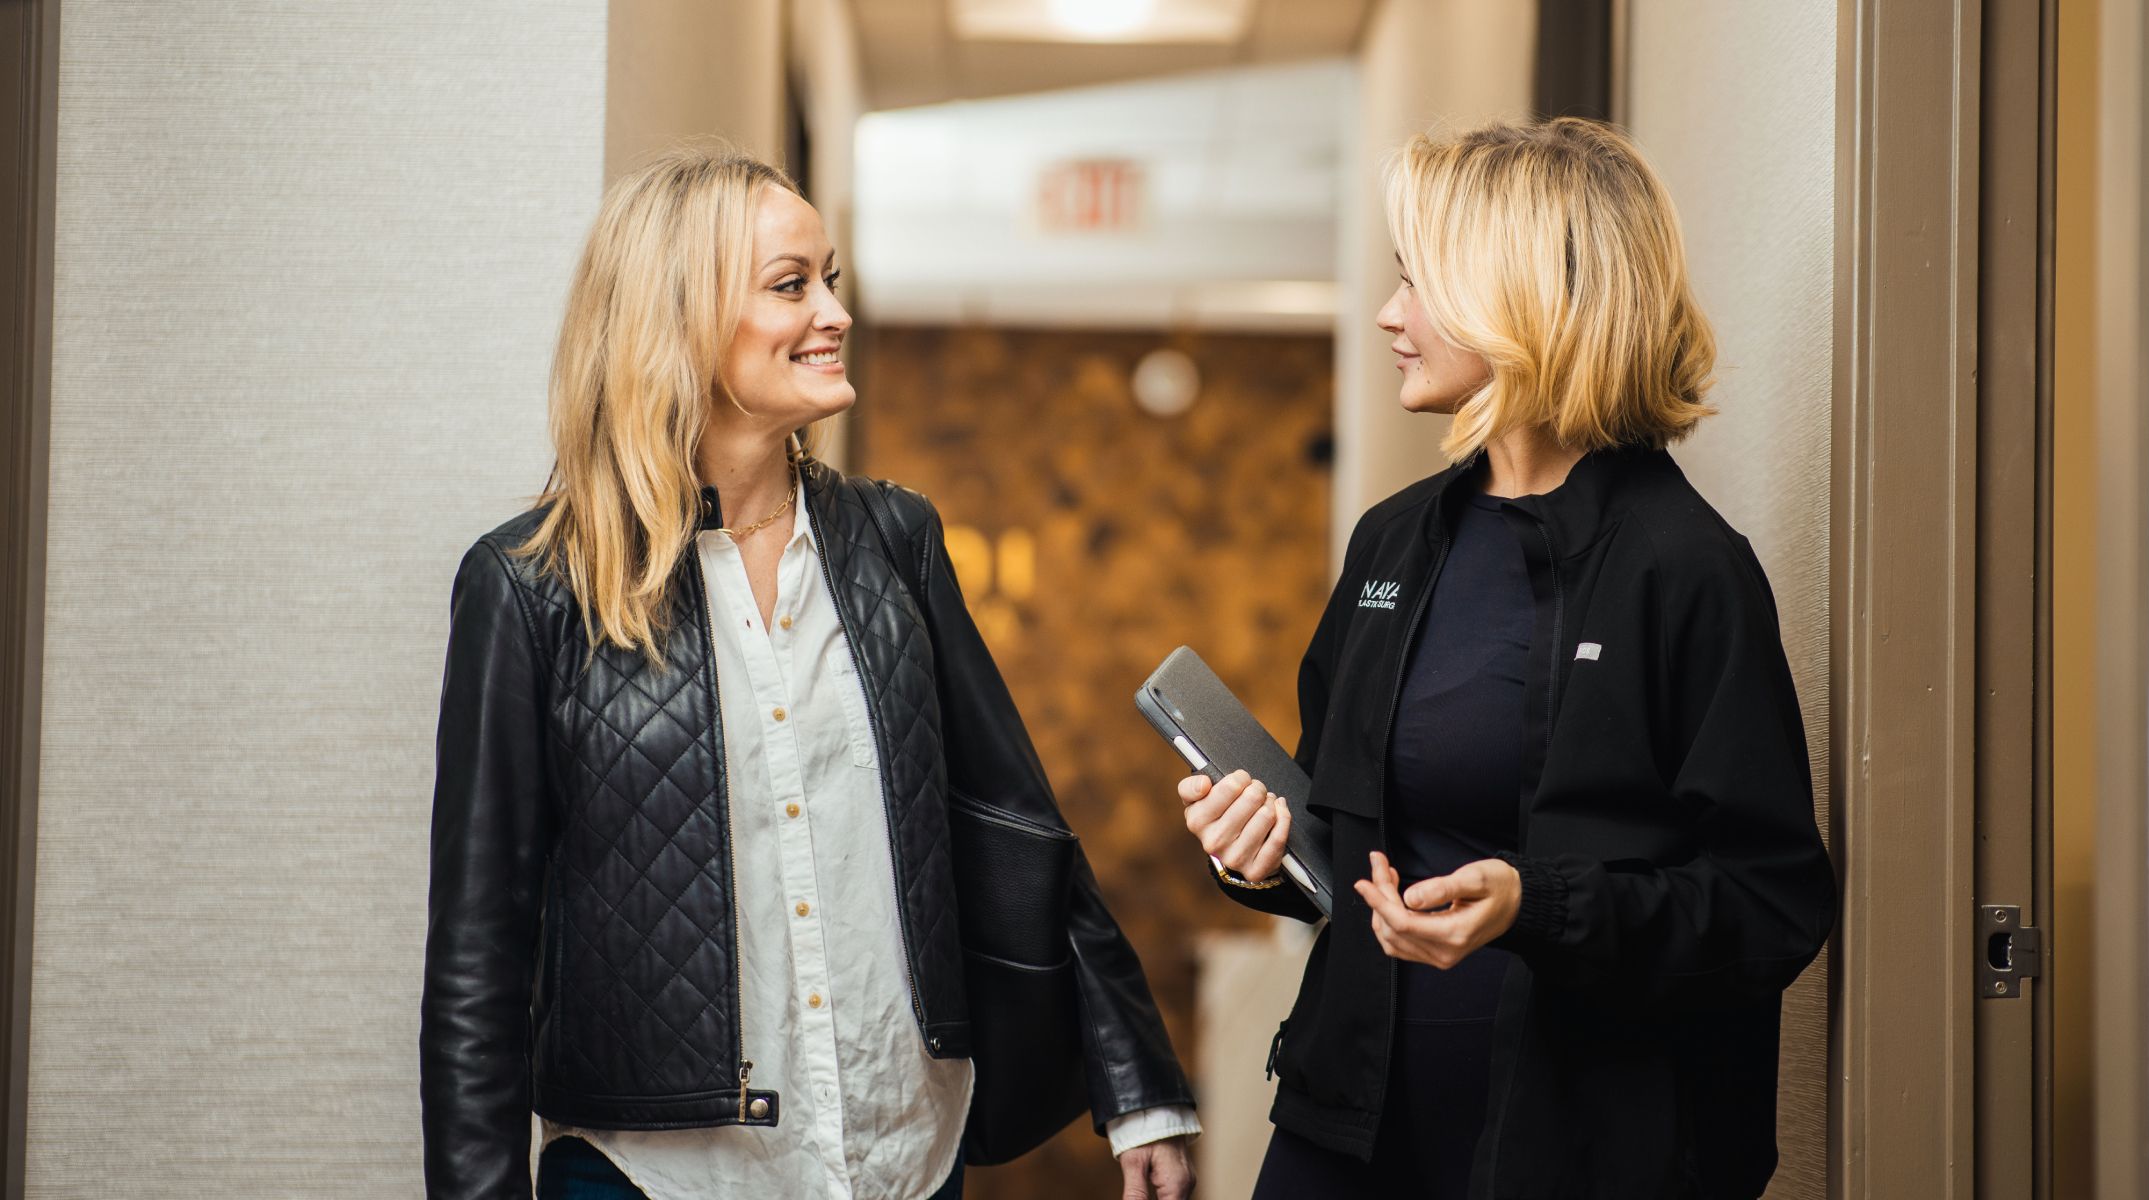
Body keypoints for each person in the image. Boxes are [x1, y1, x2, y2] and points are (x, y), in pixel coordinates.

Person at [422, 145, 1199, 1200]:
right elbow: (481, 951)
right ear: (678, 320)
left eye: (828, 278)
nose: (833, 312)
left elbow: (1014, 825)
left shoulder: (895, 540)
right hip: (653, 1174)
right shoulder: (529, 589)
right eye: (792, 286)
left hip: (899, 1156)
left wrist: (1135, 1081)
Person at [1176, 117, 1837, 1198]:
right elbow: (1344, 837)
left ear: (1530, 298)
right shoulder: (1392, 542)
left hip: (1575, 1153)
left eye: (1420, 282)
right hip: (1346, 1132)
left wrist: (1539, 905)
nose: (1389, 314)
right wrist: (1260, 852)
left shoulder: (1685, 569)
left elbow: (1768, 906)